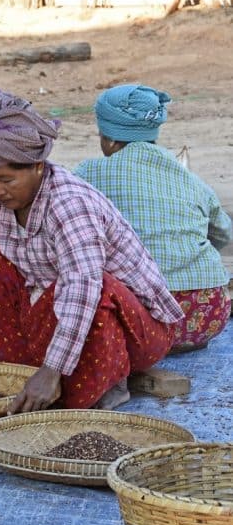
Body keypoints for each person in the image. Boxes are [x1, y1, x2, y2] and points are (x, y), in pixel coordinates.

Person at [0, 89, 184, 413]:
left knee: (98, 287)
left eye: (7, 179)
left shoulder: (70, 205)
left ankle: (106, 381)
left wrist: (51, 370)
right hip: (58, 316)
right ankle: (1, 376)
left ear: (38, 166)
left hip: (134, 331)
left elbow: (81, 288)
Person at [75, 84, 232, 353]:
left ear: (111, 140)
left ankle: (152, 345)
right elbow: (223, 234)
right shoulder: (188, 178)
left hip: (140, 317)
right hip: (207, 313)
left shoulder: (87, 174)